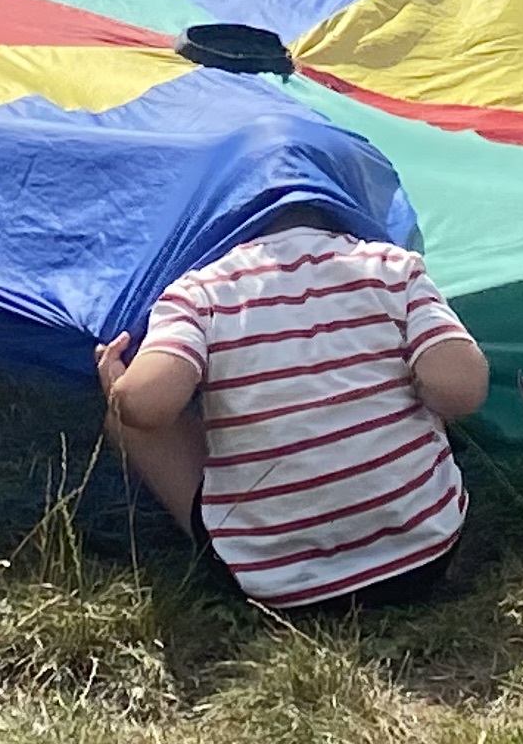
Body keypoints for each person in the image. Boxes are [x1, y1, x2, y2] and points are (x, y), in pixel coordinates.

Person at [95, 221, 489, 609]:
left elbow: (146, 405)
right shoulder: (392, 267)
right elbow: (460, 389)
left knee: (128, 422)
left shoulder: (199, 293)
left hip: (275, 583)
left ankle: (258, 529)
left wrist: (119, 384)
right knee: (425, 379)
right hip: (426, 555)